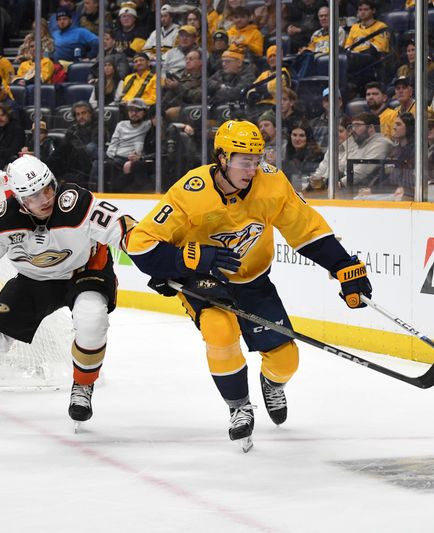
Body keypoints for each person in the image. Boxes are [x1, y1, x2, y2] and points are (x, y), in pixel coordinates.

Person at [126, 119, 372, 449]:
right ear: (223, 159)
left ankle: (272, 384)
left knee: (287, 360)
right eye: (245, 161)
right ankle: (239, 406)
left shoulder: (271, 183)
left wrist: (343, 266)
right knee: (220, 333)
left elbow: (307, 229)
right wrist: (189, 260)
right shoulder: (191, 191)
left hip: (253, 279)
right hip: (204, 283)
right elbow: (140, 245)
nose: (253, 168)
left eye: (257, 160)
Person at [0, 154, 135, 424]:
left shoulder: (77, 202)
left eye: (47, 189)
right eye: (33, 196)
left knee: (92, 320)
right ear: (19, 199)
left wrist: (150, 253)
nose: (44, 199)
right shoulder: (2, 219)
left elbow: (122, 227)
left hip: (85, 272)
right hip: (33, 280)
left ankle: (83, 385)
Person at [105, 98, 152, 192]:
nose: (134, 113)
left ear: (144, 112)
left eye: (137, 110)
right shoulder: (121, 125)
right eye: (131, 110)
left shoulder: (148, 124)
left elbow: (164, 122)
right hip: (117, 158)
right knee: (105, 165)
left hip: (135, 159)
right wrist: (110, 157)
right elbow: (114, 143)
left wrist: (183, 126)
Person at [343, 112, 394, 189]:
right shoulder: (360, 142)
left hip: (370, 190)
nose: (353, 129)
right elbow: (342, 165)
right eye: (352, 126)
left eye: (357, 125)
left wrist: (340, 183)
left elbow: (362, 171)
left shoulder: (381, 143)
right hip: (353, 186)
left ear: (371, 127)